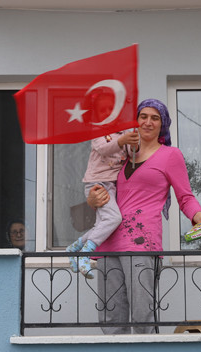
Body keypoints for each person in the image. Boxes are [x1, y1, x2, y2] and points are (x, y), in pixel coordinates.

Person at [87, 98, 201, 334]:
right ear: (135, 121)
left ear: (163, 124)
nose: (148, 122)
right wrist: (91, 200)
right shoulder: (122, 155)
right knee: (110, 319)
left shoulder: (170, 155)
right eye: (143, 116)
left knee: (143, 317)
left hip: (141, 244)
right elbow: (102, 191)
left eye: (155, 118)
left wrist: (198, 216)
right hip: (108, 244)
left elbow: (185, 197)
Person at [66, 91, 140, 279]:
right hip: (97, 183)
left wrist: (134, 143)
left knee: (103, 224)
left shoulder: (124, 131)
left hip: (111, 183)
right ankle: (86, 253)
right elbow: (103, 148)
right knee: (114, 219)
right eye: (102, 110)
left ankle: (74, 248)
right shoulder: (98, 130)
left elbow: (131, 154)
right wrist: (122, 141)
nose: (107, 113)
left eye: (111, 109)